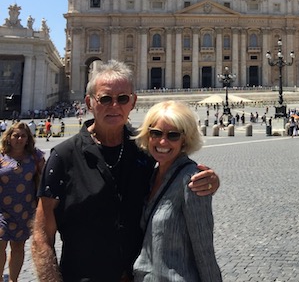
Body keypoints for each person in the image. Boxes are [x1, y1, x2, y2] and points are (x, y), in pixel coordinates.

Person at [31, 60, 219, 282]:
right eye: (105, 99)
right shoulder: (63, 156)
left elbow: (176, 170)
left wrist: (211, 180)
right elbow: (42, 234)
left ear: (133, 102)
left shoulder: (145, 150)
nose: (114, 106)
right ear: (89, 102)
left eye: (122, 99)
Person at [133, 101, 222, 281]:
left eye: (173, 135)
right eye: (156, 133)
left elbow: (204, 249)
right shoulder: (149, 176)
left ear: (184, 140)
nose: (163, 141)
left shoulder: (193, 181)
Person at [0, 122, 45, 282]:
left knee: (18, 247)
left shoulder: (35, 156)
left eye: (23, 136)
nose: (19, 139)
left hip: (24, 209)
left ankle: (14, 279)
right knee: (0, 245)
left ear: (28, 139)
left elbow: (45, 178)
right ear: (9, 137)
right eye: (16, 135)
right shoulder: (1, 155)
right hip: (1, 210)